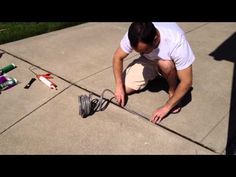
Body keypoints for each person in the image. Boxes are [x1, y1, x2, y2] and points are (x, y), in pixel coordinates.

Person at [112, 22, 195, 124]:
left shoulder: (176, 41)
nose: (140, 53)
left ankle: (172, 90)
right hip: (149, 60)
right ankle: (154, 72)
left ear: (155, 39)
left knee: (165, 65)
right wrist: (119, 86)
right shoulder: (136, 33)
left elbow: (186, 82)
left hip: (168, 62)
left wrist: (166, 107)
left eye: (144, 50)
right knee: (124, 89)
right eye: (137, 51)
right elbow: (118, 57)